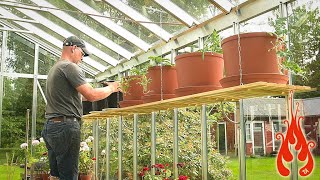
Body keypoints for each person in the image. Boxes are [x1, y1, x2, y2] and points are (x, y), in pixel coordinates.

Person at [42, 36, 120, 180]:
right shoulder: (69, 67)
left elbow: (79, 97)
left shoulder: (56, 68)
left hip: (51, 126)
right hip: (65, 127)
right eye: (82, 53)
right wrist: (112, 88)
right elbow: (91, 95)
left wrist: (99, 91)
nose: (82, 58)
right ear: (73, 48)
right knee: (69, 176)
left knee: (56, 175)